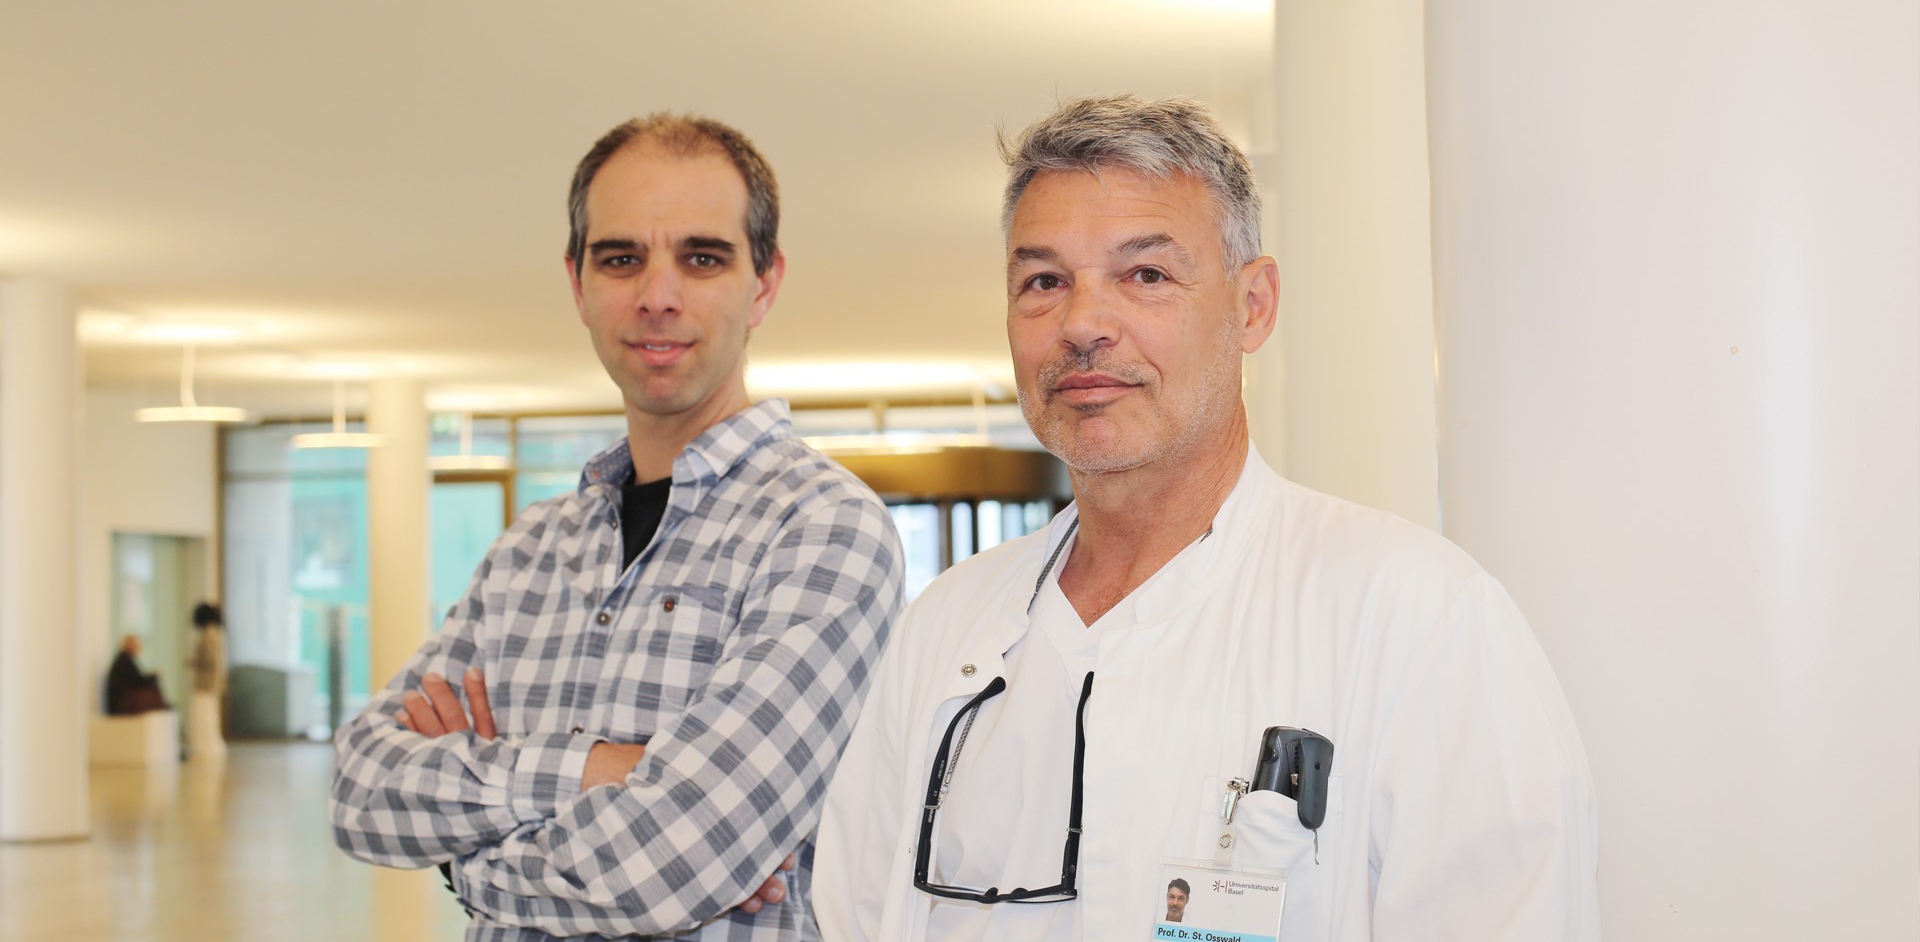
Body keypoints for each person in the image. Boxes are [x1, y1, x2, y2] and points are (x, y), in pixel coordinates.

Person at [811, 96, 1599, 941]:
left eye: (1146, 275)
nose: (1082, 325)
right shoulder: (944, 633)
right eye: (1044, 282)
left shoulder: (1416, 617)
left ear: (1252, 306)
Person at [330, 113, 904, 942]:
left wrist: (464, 864)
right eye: (621, 258)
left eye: (702, 259)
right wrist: (601, 771)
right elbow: (360, 788)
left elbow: (671, 862)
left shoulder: (824, 530)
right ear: (578, 284)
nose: (657, 296)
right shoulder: (530, 550)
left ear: (764, 284)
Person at [188, 602, 227, 758]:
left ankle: (205, 747)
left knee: (204, 715)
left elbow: (208, 659)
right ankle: (210, 746)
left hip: (206, 682)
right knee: (210, 714)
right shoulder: (218, 633)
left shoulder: (208, 634)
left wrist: (193, 661)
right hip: (213, 682)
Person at [105, 633, 167, 715]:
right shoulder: (124, 661)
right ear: (129, 645)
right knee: (153, 688)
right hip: (122, 702)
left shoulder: (125, 659)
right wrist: (154, 676)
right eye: (136, 644)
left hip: (123, 698)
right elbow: (138, 681)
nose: (139, 647)